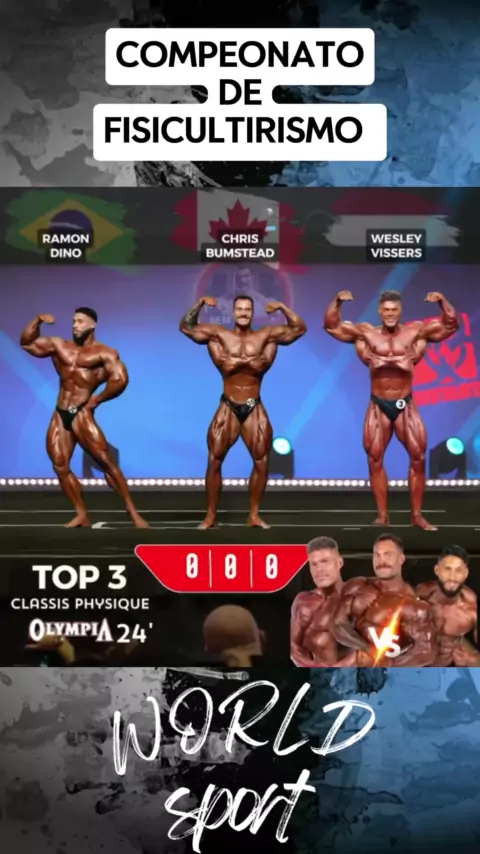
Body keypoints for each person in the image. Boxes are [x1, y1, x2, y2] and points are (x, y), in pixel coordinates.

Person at [324, 289, 459, 530]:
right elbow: (331, 326)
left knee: (418, 458)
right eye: (386, 310)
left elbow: (450, 325)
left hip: (405, 403)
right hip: (379, 404)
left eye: (394, 310)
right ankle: (382, 516)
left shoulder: (414, 331)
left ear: (400, 310)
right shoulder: (367, 333)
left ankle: (416, 516)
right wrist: (337, 301)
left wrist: (442, 301)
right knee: (375, 459)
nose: (390, 314)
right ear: (379, 310)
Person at [180, 293, 306, 528]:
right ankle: (210, 515)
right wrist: (199, 304)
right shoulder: (219, 335)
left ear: (252, 312)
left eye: (248, 309)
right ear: (233, 312)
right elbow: (187, 327)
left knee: (261, 461)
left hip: (252, 405)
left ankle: (254, 515)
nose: (243, 313)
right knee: (214, 460)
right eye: (239, 309)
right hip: (228, 405)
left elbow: (299, 328)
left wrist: (281, 306)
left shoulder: (266, 336)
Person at [20, 309, 148, 528]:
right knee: (60, 465)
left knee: (106, 462)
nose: (75, 325)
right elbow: (27, 343)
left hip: (80, 411)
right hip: (61, 411)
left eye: (80, 321)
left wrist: (97, 399)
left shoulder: (104, 353)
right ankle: (81, 513)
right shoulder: (60, 346)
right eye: (73, 321)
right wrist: (38, 321)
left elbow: (120, 379)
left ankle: (133, 513)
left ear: (92, 325)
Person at [331, 533, 436, 667]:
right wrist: (367, 649)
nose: (382, 561)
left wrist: (388, 665)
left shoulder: (414, 606)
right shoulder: (357, 586)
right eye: (377, 555)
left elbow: (426, 652)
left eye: (388, 555)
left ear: (401, 559)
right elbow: (338, 624)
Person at [290, 536, 356, 667]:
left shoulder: (357, 598)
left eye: (325, 561)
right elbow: (294, 649)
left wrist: (338, 669)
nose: (319, 569)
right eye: (314, 564)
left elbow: (372, 648)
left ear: (339, 563)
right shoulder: (304, 601)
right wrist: (316, 670)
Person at [416, 545, 479, 666]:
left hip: (448, 668)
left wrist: (470, 660)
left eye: (458, 570)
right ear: (437, 570)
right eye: (447, 569)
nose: (452, 577)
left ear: (465, 573)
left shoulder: (472, 610)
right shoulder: (421, 594)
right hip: (417, 666)